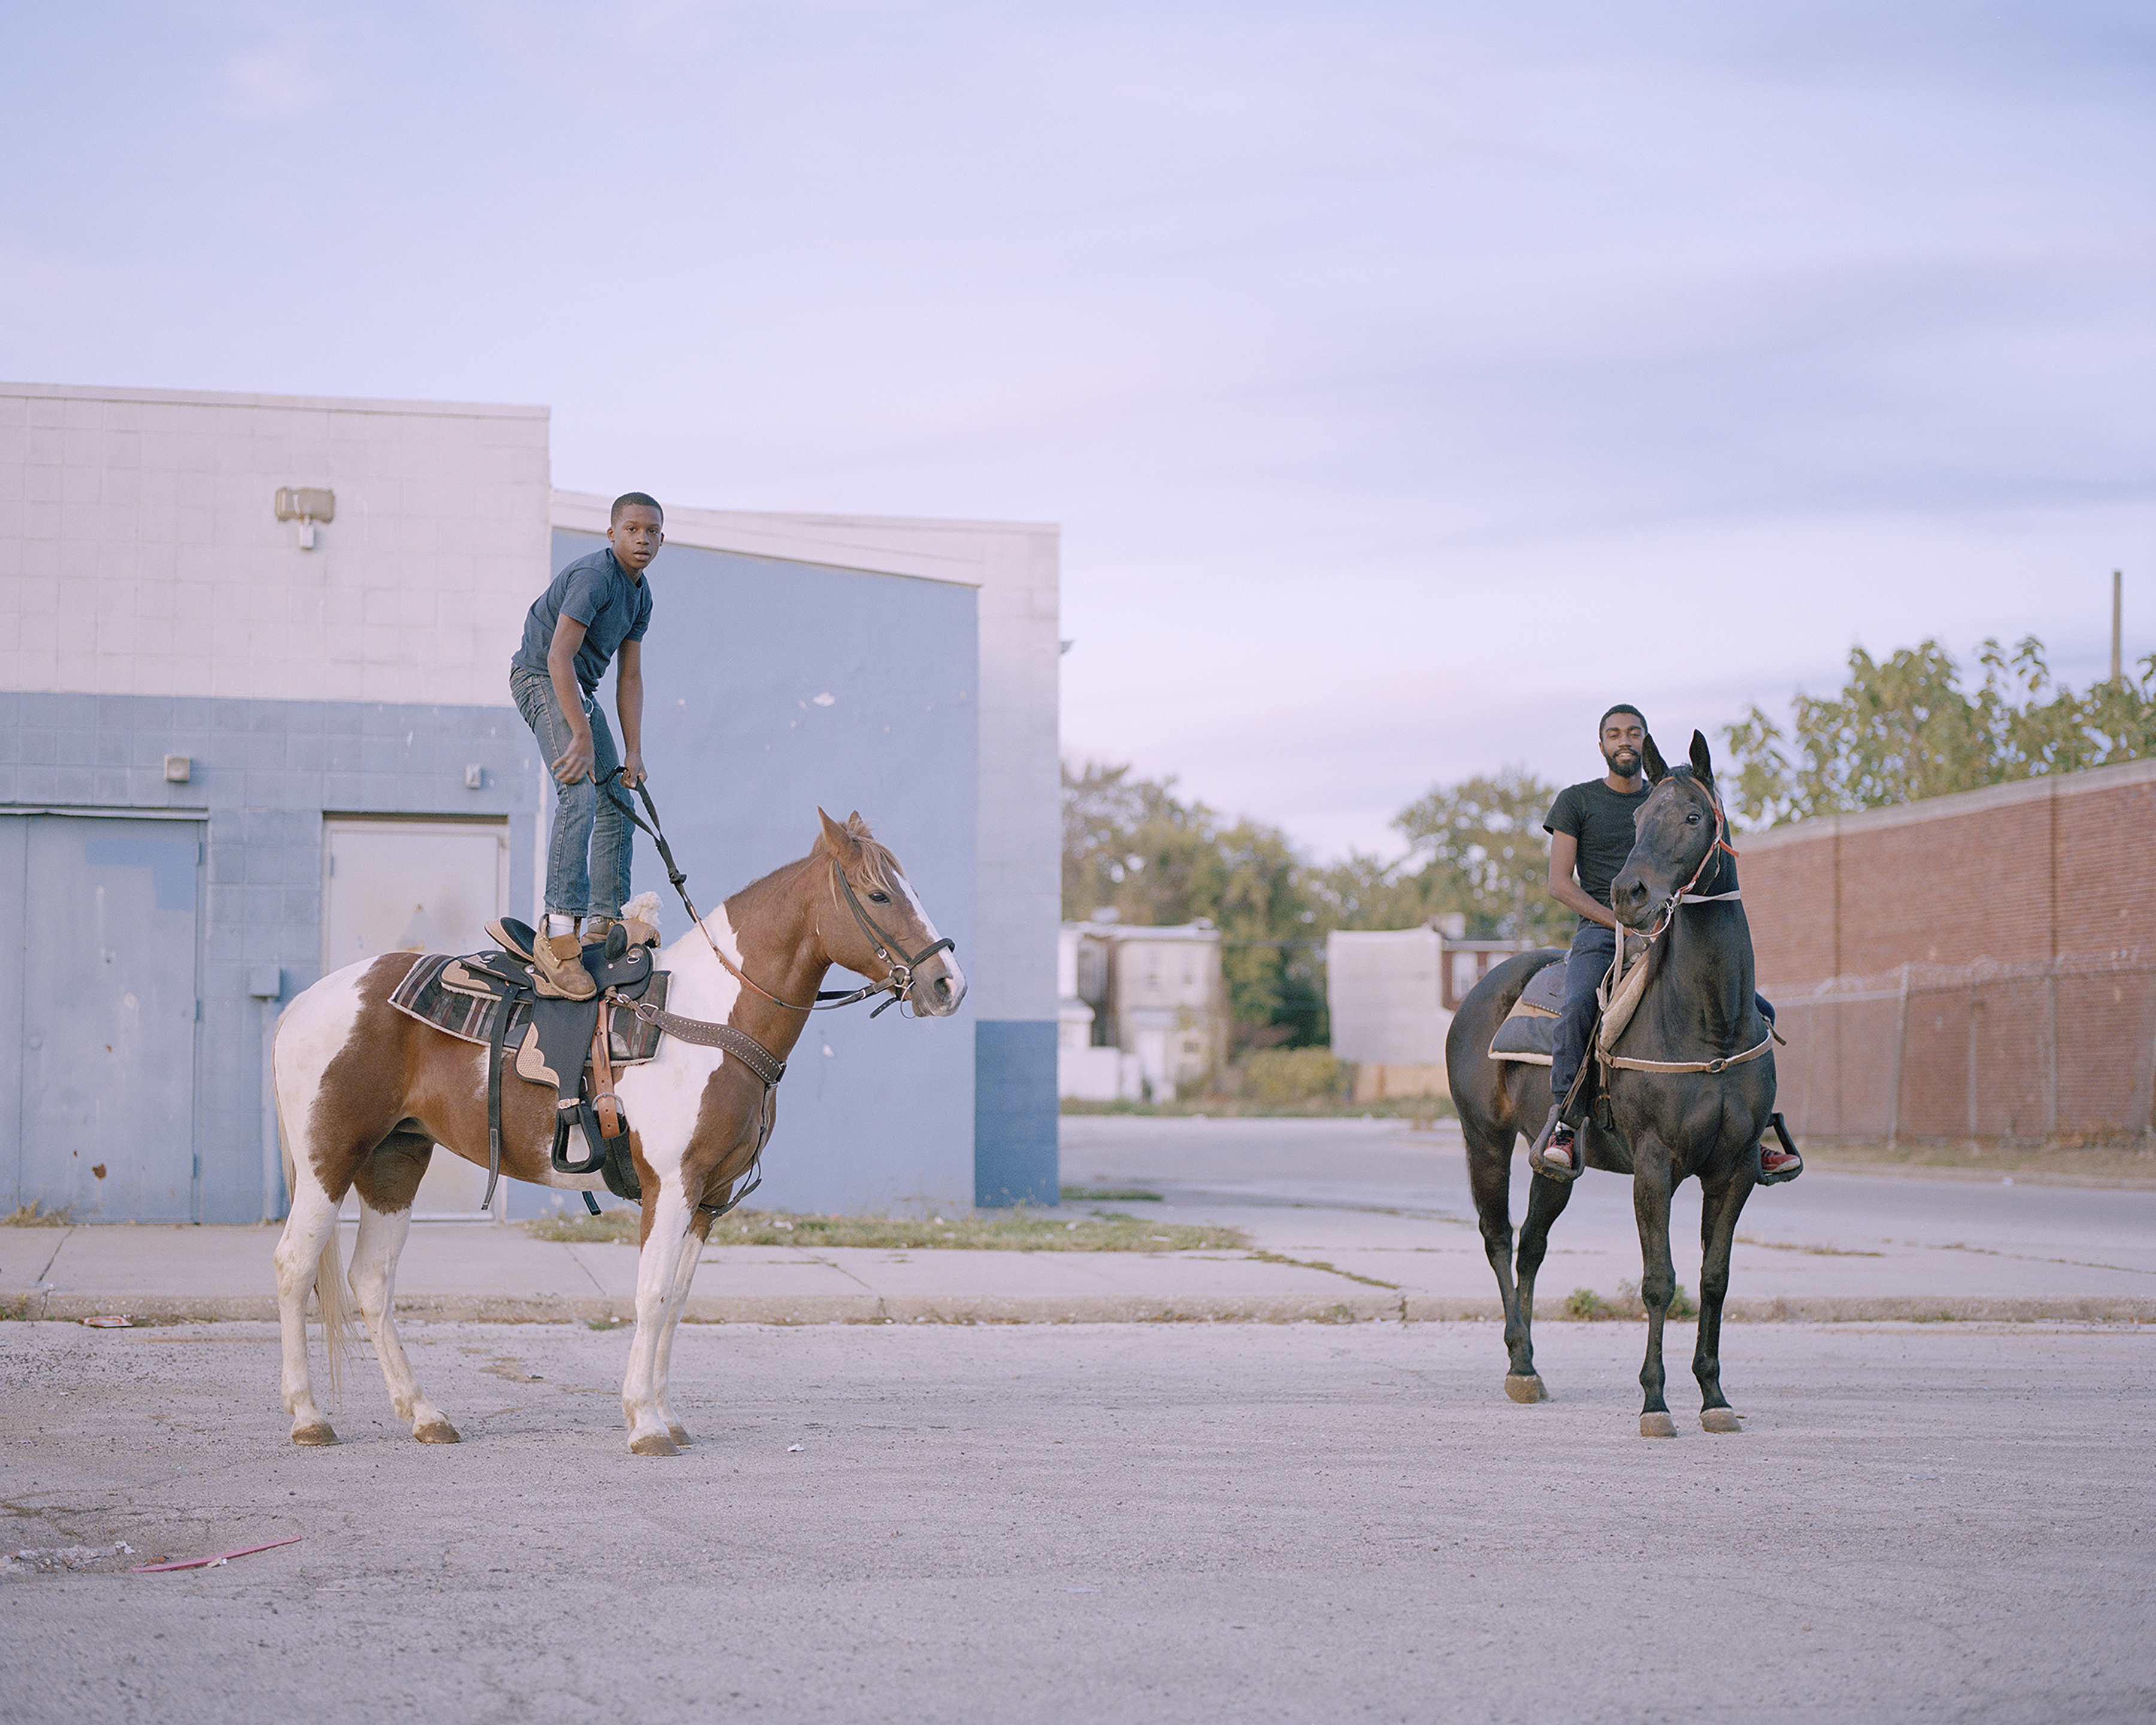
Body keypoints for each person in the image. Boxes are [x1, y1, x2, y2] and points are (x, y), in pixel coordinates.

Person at [1528, 704, 1801, 1184]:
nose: (1625, 740)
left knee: (1756, 1011)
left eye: (1634, 732)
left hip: (1666, 925)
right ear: (1602, 746)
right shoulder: (1577, 801)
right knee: (1577, 1008)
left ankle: (1749, 1135)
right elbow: (1559, 884)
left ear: (1646, 741)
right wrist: (1618, 920)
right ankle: (1564, 1125)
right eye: (1615, 734)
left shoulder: (1666, 799)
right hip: (1603, 931)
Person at [508, 493, 661, 1000]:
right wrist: (579, 734)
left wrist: (633, 751)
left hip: (580, 689)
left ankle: (601, 922)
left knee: (617, 794)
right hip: (541, 677)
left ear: (662, 539)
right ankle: (557, 935)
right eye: (632, 529)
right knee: (579, 792)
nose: (642, 539)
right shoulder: (595, 578)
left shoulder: (641, 595)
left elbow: (631, 674)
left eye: (651, 531)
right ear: (611, 533)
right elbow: (557, 657)